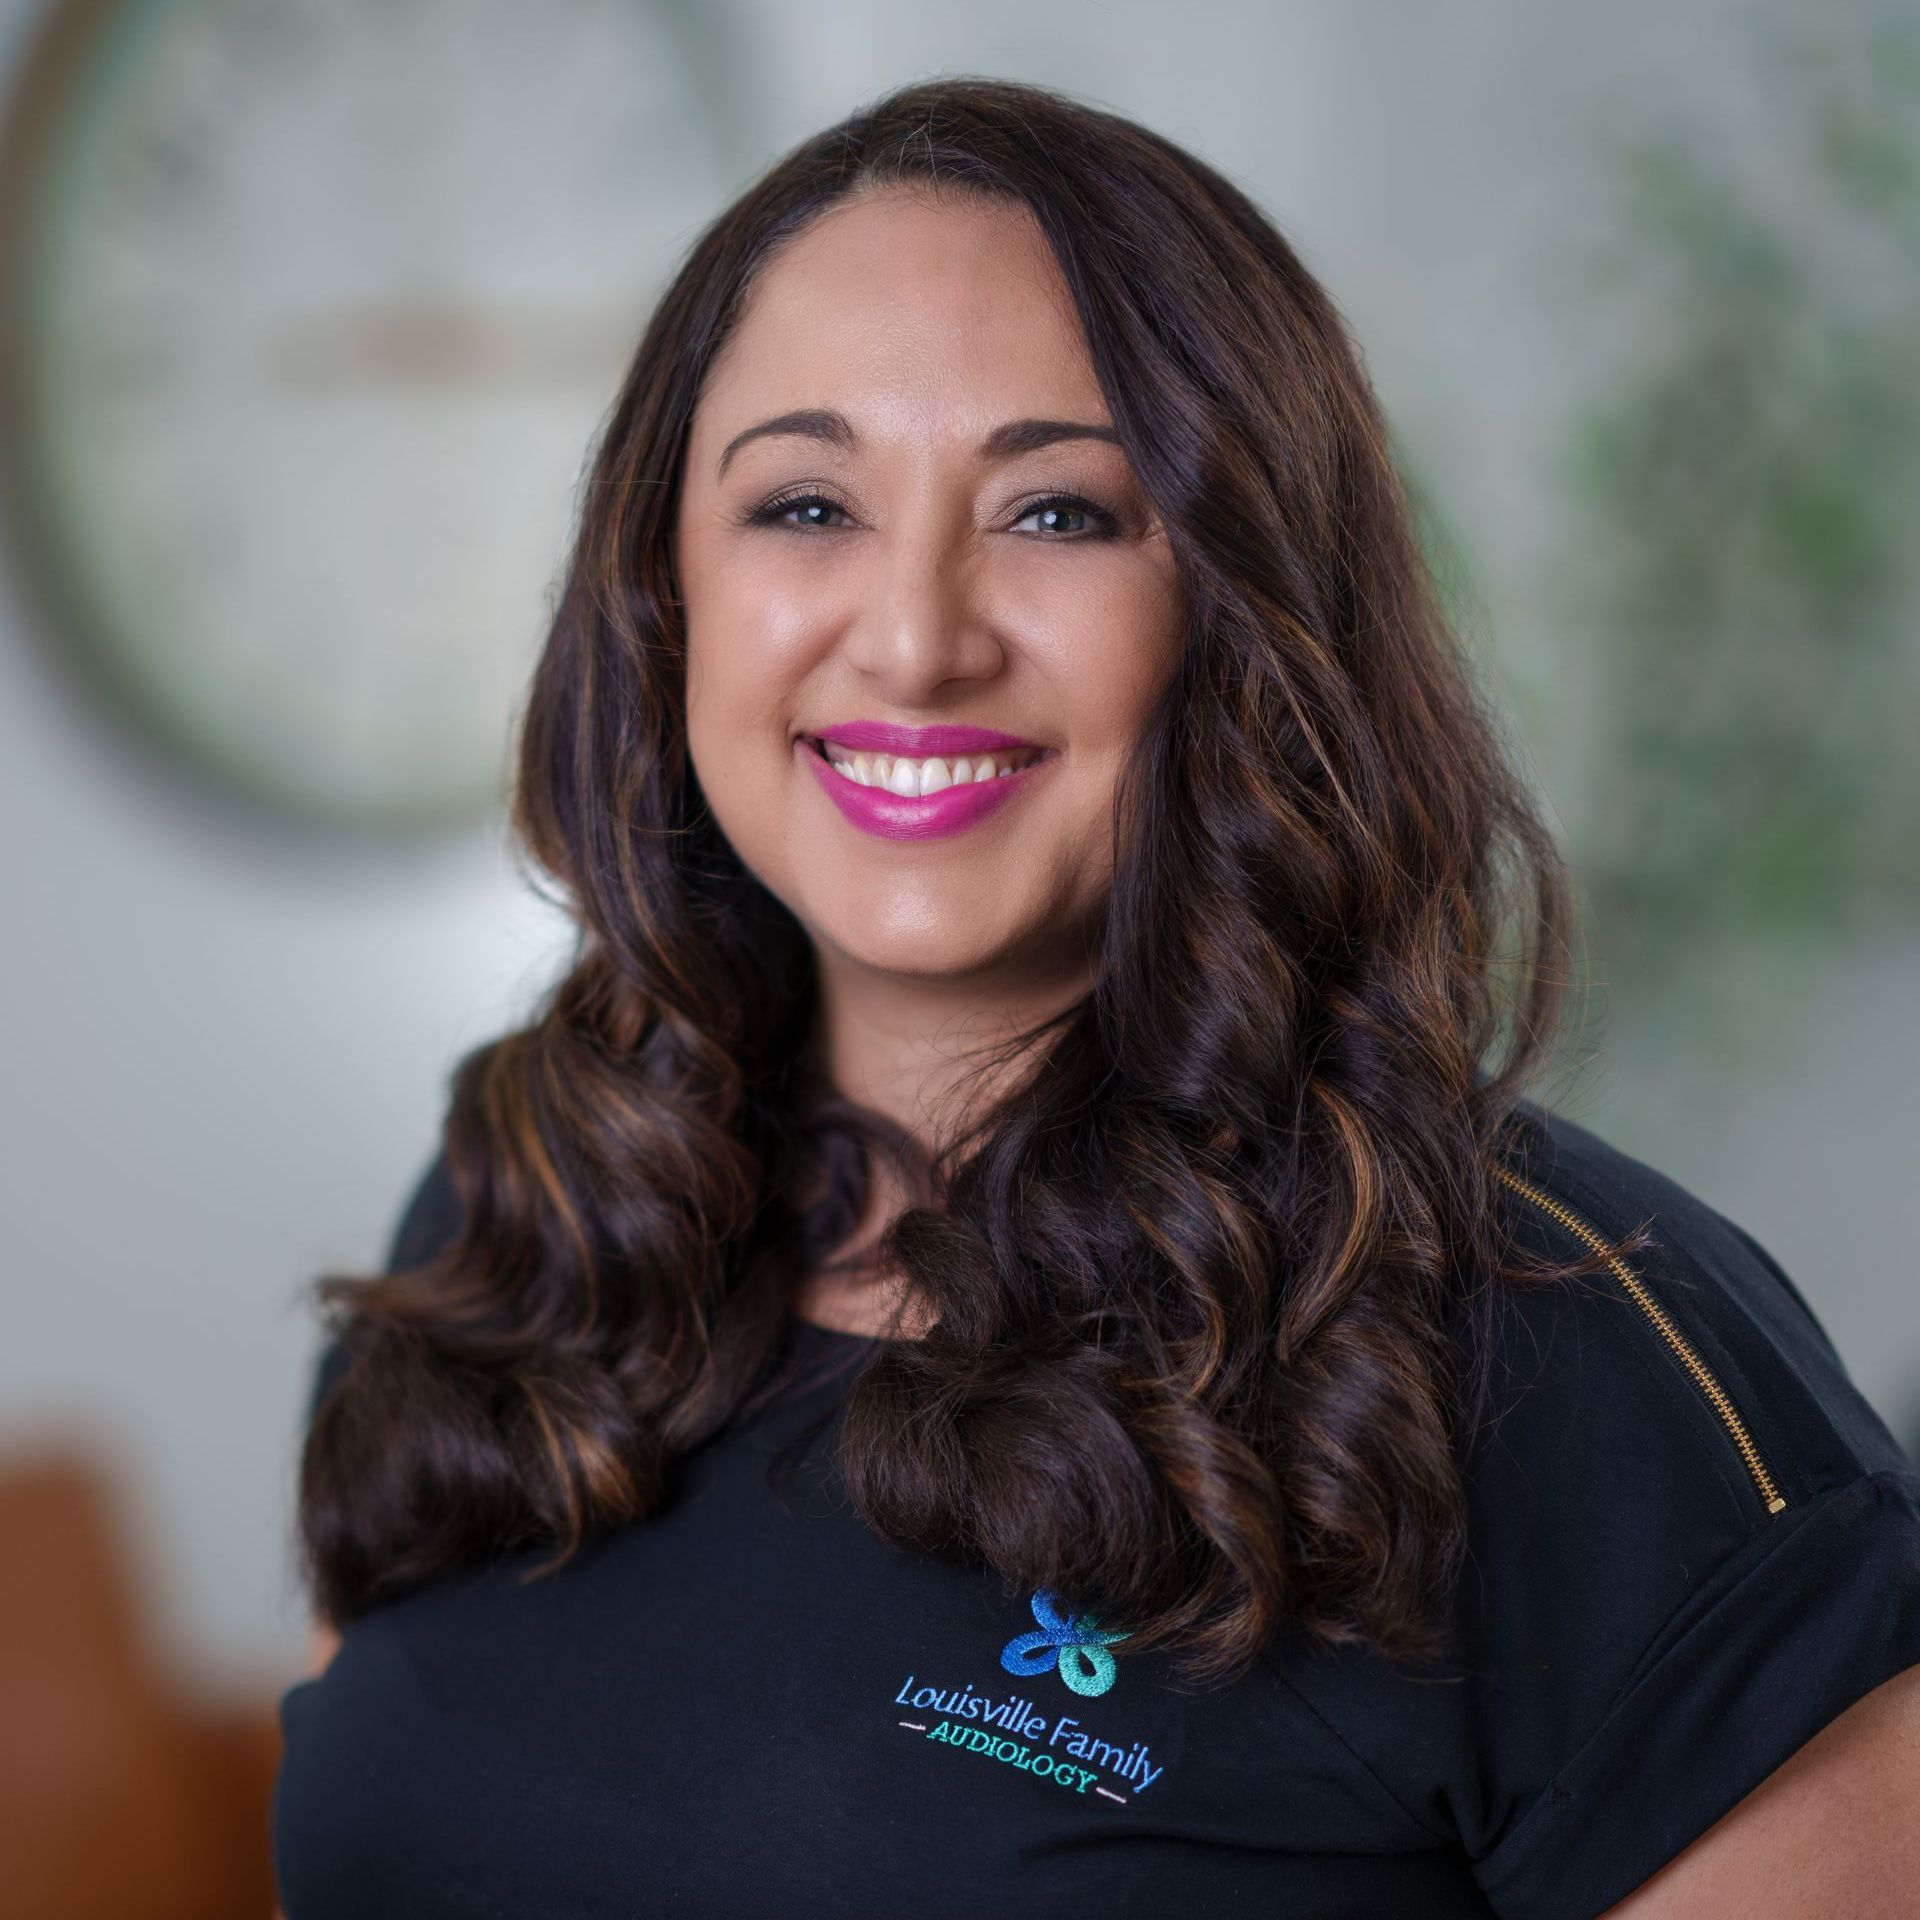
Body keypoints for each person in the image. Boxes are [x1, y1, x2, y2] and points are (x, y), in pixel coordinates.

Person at [271, 75, 1920, 1920]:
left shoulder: (1581, 1361)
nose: (914, 634)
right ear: (663, 593)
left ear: (1247, 602)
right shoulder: (540, 1212)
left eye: (1059, 513)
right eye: (804, 502)